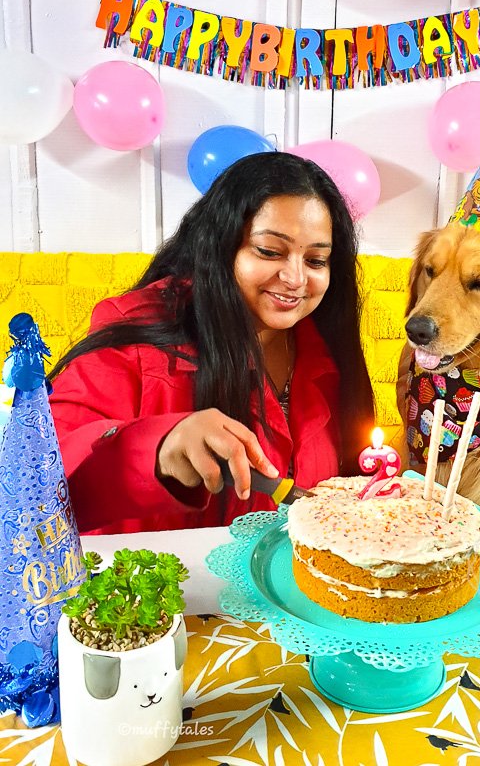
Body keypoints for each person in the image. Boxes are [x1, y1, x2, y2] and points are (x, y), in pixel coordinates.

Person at [49, 151, 375, 535]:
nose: (295, 278)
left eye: (316, 260)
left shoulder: (327, 352)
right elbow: (42, 475)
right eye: (270, 251)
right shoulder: (139, 334)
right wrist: (161, 450)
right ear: (220, 246)